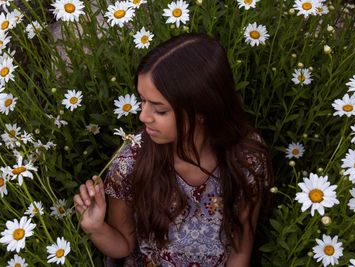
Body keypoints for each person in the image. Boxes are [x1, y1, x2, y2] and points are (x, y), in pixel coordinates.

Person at [73, 32, 273, 267]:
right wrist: (96, 227)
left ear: (202, 111)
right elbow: (123, 246)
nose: (143, 116)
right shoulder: (131, 162)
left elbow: (241, 248)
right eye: (142, 100)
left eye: (160, 110)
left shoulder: (246, 159)